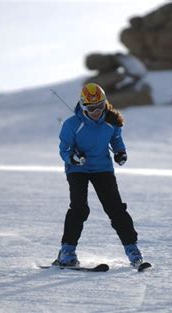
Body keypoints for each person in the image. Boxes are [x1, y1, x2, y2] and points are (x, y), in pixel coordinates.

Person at [54, 83, 143, 267]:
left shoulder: (112, 122)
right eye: (91, 108)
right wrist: (73, 157)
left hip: (102, 168)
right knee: (79, 209)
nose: (96, 111)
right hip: (77, 169)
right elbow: (64, 149)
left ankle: (132, 250)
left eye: (100, 107)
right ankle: (67, 252)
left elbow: (116, 139)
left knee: (115, 209)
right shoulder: (71, 125)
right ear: (83, 106)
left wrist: (120, 152)